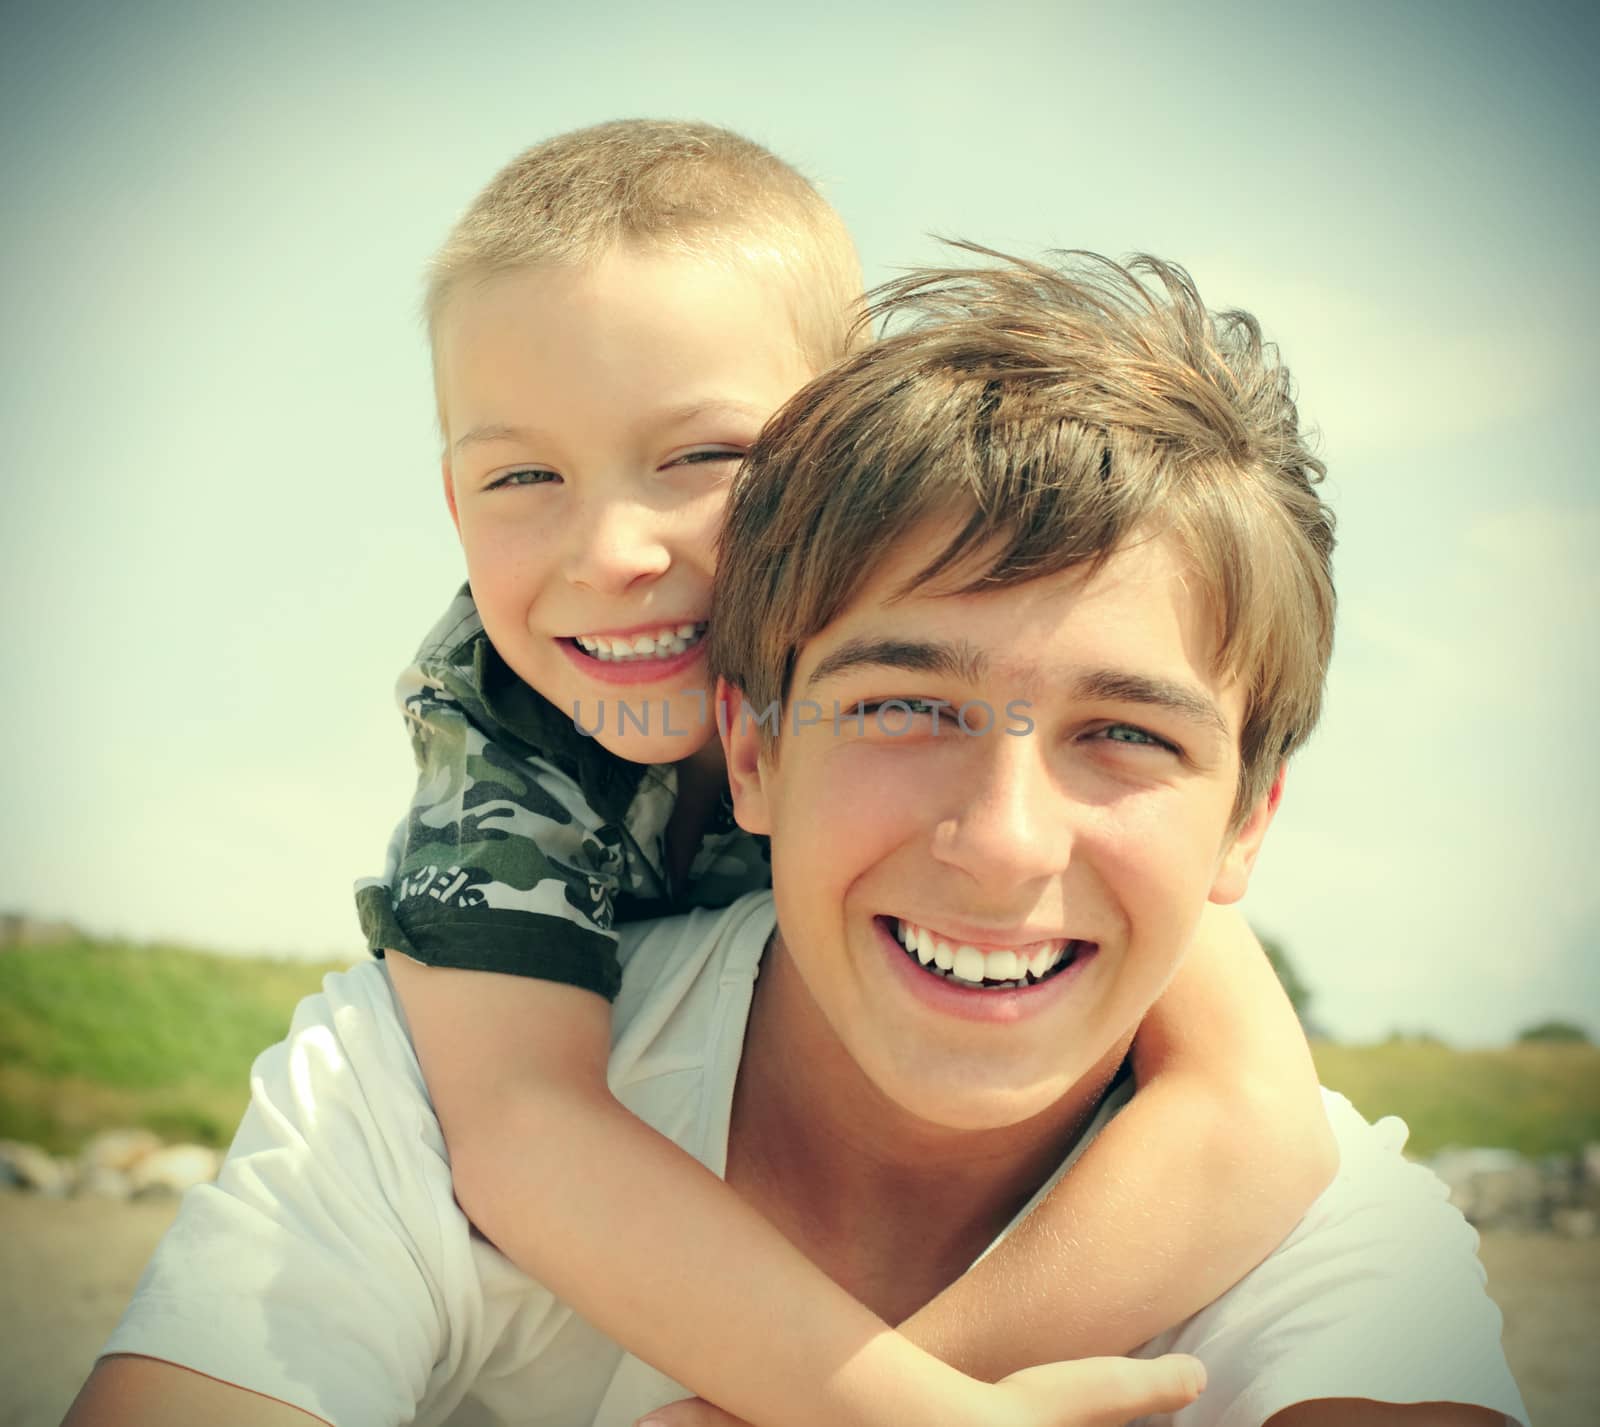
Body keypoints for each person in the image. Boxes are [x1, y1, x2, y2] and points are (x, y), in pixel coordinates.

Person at [69, 248, 1527, 1427]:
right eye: (905, 707)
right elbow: (517, 1130)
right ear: (750, 743)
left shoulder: (1328, 1244)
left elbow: (1251, 1114)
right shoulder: (419, 1075)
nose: (1009, 844)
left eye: (1129, 736)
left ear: (1248, 821)